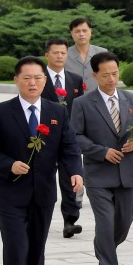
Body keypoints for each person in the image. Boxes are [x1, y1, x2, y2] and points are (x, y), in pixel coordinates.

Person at [0, 57, 84, 265]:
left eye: (38, 78)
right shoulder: (0, 112)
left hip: (43, 192)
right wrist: (8, 165)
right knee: (16, 245)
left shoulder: (57, 111)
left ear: (45, 81)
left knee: (36, 246)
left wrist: (75, 172)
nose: (33, 83)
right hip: (9, 193)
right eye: (27, 78)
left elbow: (68, 147)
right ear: (16, 81)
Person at [70, 52, 133, 265]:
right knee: (105, 222)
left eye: (115, 73)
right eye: (105, 75)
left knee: (124, 223)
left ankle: (103, 247)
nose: (111, 79)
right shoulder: (82, 103)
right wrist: (101, 151)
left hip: (126, 173)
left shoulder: (130, 98)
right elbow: (75, 136)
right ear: (94, 75)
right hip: (98, 174)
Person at [42, 37, 86, 238]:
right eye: (55, 52)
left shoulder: (75, 79)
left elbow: (78, 108)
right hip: (43, 136)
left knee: (71, 177)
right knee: (44, 178)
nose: (60, 56)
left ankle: (70, 220)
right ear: (46, 55)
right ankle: (41, 215)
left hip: (68, 136)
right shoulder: (38, 77)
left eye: (63, 53)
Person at [65, 17, 108, 92]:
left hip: (97, 98)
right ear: (71, 33)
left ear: (90, 31)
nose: (81, 34)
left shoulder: (102, 53)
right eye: (77, 31)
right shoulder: (64, 54)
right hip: (73, 100)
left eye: (84, 31)